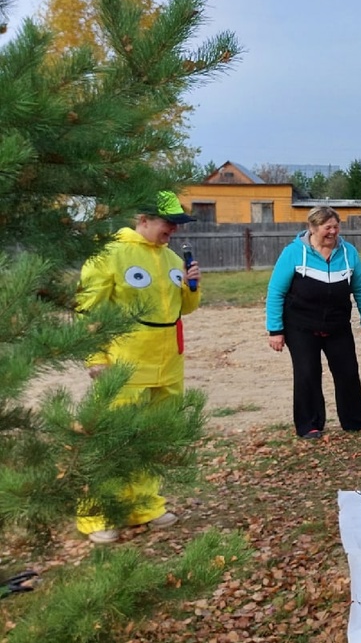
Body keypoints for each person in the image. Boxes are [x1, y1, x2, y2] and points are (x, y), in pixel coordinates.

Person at [75, 191, 201, 544]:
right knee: (113, 439)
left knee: (154, 437)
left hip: (167, 362)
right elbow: (89, 307)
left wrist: (192, 285)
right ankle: (98, 514)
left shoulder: (173, 259)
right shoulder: (110, 254)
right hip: (125, 362)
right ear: (142, 219)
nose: (172, 230)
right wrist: (95, 356)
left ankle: (145, 506)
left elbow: (186, 308)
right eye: (167, 223)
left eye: (177, 224)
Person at [266, 206, 361, 440]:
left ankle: (356, 420)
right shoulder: (294, 252)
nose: (333, 232)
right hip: (300, 325)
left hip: (338, 325)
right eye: (327, 227)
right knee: (307, 373)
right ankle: (309, 425)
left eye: (336, 227)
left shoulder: (348, 253)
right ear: (313, 228)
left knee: (348, 372)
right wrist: (275, 330)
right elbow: (276, 292)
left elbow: (360, 288)